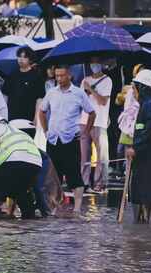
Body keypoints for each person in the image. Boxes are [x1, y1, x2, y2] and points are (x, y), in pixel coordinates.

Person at [39, 65, 96, 213]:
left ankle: (77, 208)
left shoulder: (78, 93)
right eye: (57, 76)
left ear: (69, 75)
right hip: (53, 139)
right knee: (52, 176)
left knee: (74, 174)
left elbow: (91, 113)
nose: (59, 79)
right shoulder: (51, 93)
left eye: (62, 75)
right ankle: (54, 207)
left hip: (70, 138)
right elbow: (42, 111)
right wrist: (45, 130)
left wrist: (86, 132)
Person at [0, 114, 42, 219]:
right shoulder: (17, 131)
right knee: (21, 190)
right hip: (35, 163)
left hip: (13, 161)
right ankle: (30, 219)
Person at [125, 70, 151, 224]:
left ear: (142, 88)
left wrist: (135, 148)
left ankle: (148, 222)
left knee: (147, 191)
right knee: (148, 192)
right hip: (150, 156)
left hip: (149, 158)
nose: (133, 92)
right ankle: (147, 222)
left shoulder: (149, 106)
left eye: (135, 88)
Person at [80, 57, 113, 193]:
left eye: (97, 62)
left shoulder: (107, 80)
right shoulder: (84, 79)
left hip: (99, 121)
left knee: (102, 155)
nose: (94, 65)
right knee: (84, 155)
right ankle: (84, 182)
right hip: (84, 120)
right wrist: (85, 90)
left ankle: (100, 183)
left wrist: (91, 90)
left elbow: (103, 101)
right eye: (92, 62)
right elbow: (80, 100)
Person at [3, 46, 45, 122]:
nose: (21, 59)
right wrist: (4, 115)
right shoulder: (12, 75)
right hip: (12, 117)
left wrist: (36, 117)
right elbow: (5, 96)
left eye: (25, 57)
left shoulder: (36, 76)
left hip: (29, 117)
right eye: (19, 56)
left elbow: (39, 99)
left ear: (30, 59)